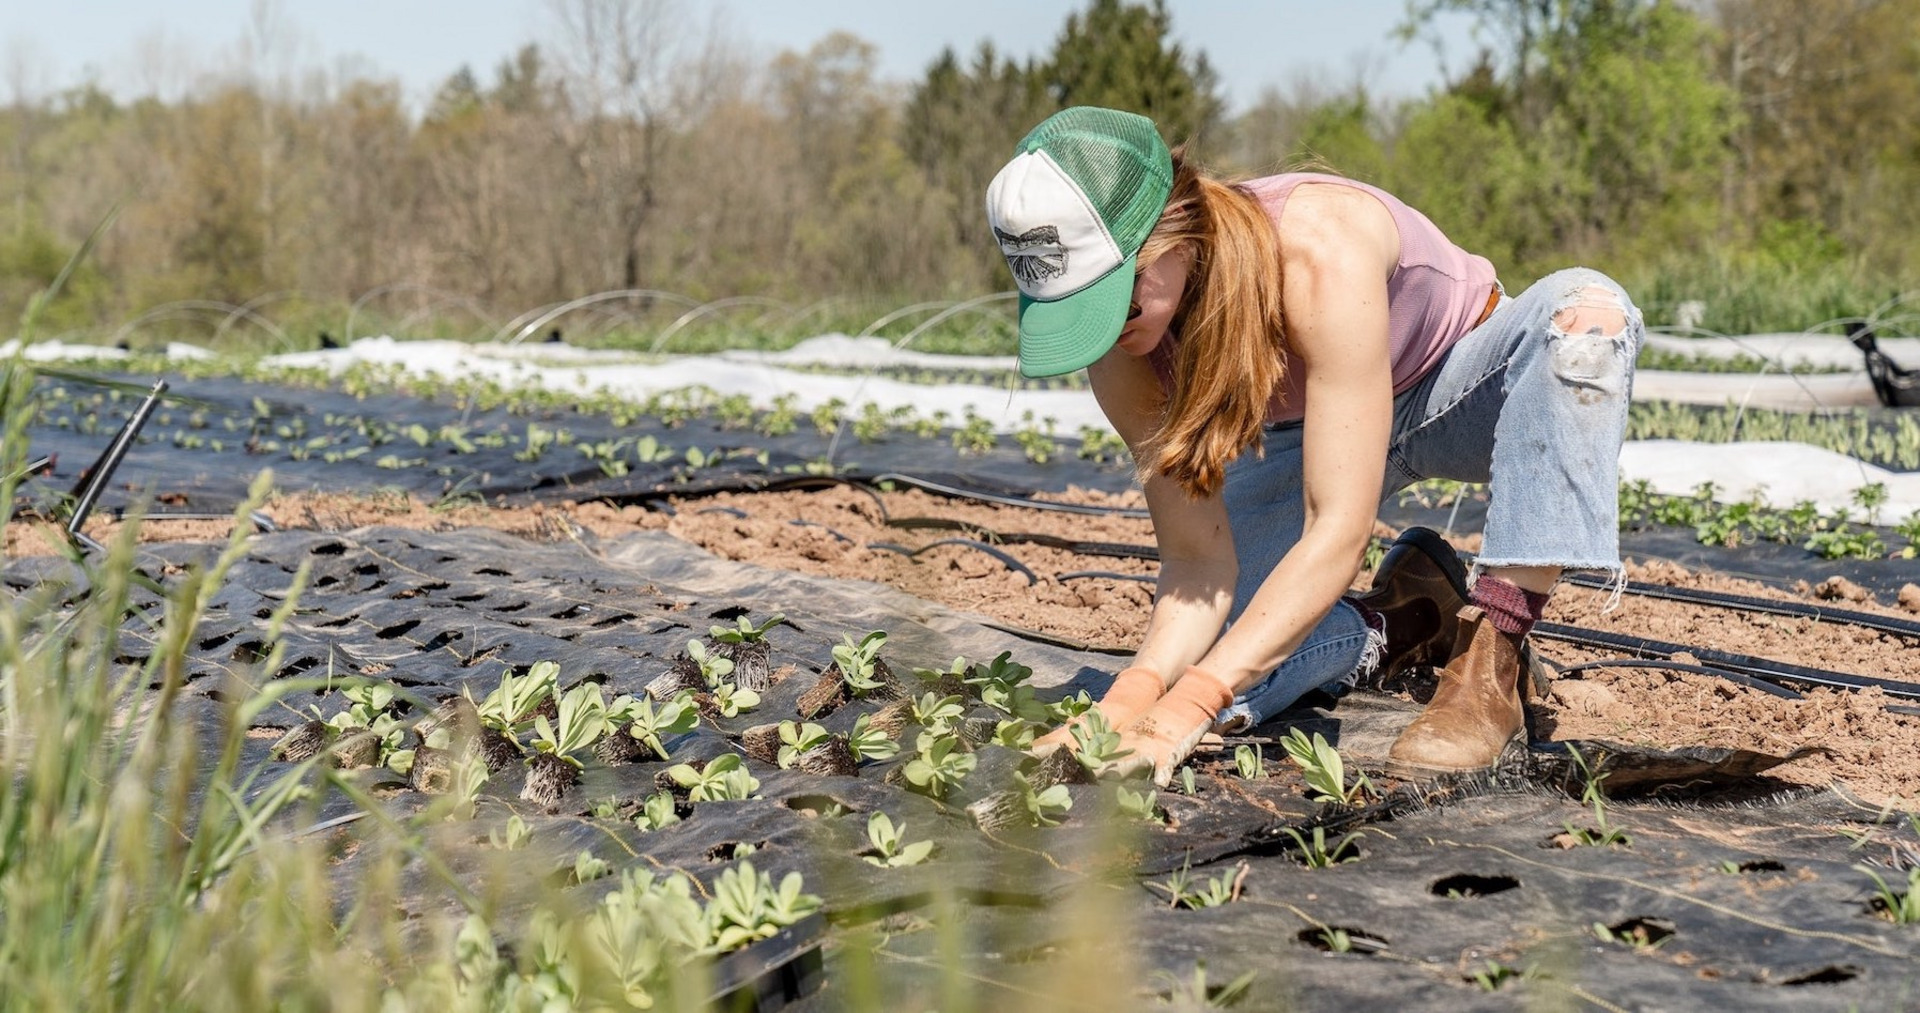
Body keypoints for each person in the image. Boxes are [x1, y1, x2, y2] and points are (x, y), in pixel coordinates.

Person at [985, 106, 1644, 785]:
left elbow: (1338, 529)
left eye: (1115, 301)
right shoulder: (1122, 351)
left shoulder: (1314, 247)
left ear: (1172, 231)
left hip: (1458, 388)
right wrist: (1131, 698)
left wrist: (1191, 702)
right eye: (1076, 314)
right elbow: (1197, 564)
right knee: (1229, 655)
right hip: (1313, 432)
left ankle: (1494, 653)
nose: (1108, 332)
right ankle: (1399, 619)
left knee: (1587, 318)